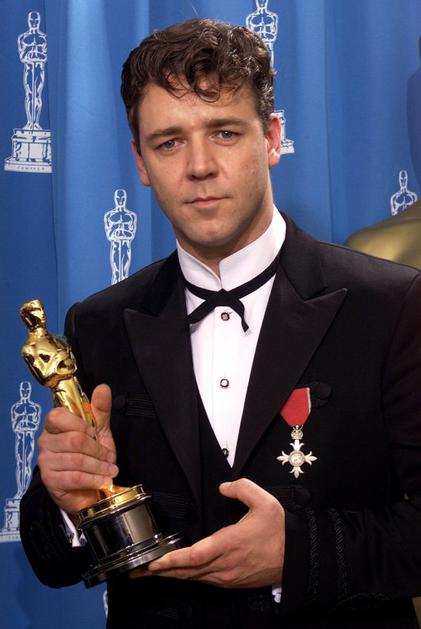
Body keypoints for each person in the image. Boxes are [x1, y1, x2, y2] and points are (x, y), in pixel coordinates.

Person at [20, 18, 421, 629]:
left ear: (273, 139)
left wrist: (300, 556)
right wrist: (68, 502)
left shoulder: (391, 305)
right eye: (169, 143)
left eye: (224, 132)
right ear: (141, 162)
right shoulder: (98, 324)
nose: (200, 166)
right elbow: (51, 562)